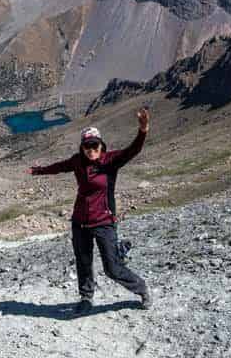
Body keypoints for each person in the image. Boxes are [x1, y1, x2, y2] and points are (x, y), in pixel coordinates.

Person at [28, 108, 152, 315]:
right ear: (82, 147)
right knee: (83, 262)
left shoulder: (110, 161)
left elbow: (133, 150)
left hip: (104, 222)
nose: (91, 149)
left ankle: (141, 288)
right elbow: (59, 167)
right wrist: (38, 171)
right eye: (87, 145)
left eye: (95, 145)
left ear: (101, 145)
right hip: (80, 223)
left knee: (112, 268)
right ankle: (86, 297)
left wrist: (143, 129)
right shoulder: (77, 161)